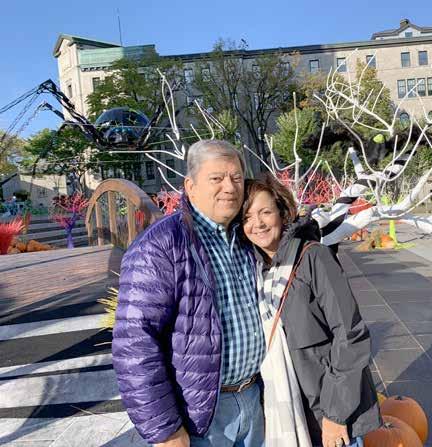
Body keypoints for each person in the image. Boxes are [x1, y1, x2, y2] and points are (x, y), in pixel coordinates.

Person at [112, 140, 265, 447]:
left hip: (254, 398)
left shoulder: (247, 236)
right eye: (216, 178)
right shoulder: (160, 246)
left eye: (236, 178)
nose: (230, 187)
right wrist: (165, 430)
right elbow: (135, 343)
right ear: (190, 187)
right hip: (200, 414)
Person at [241, 174, 380, 447]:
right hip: (286, 410)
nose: (257, 224)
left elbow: (350, 335)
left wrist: (335, 414)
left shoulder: (314, 257)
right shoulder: (254, 270)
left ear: (282, 212)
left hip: (327, 411)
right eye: (247, 217)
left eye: (265, 212)